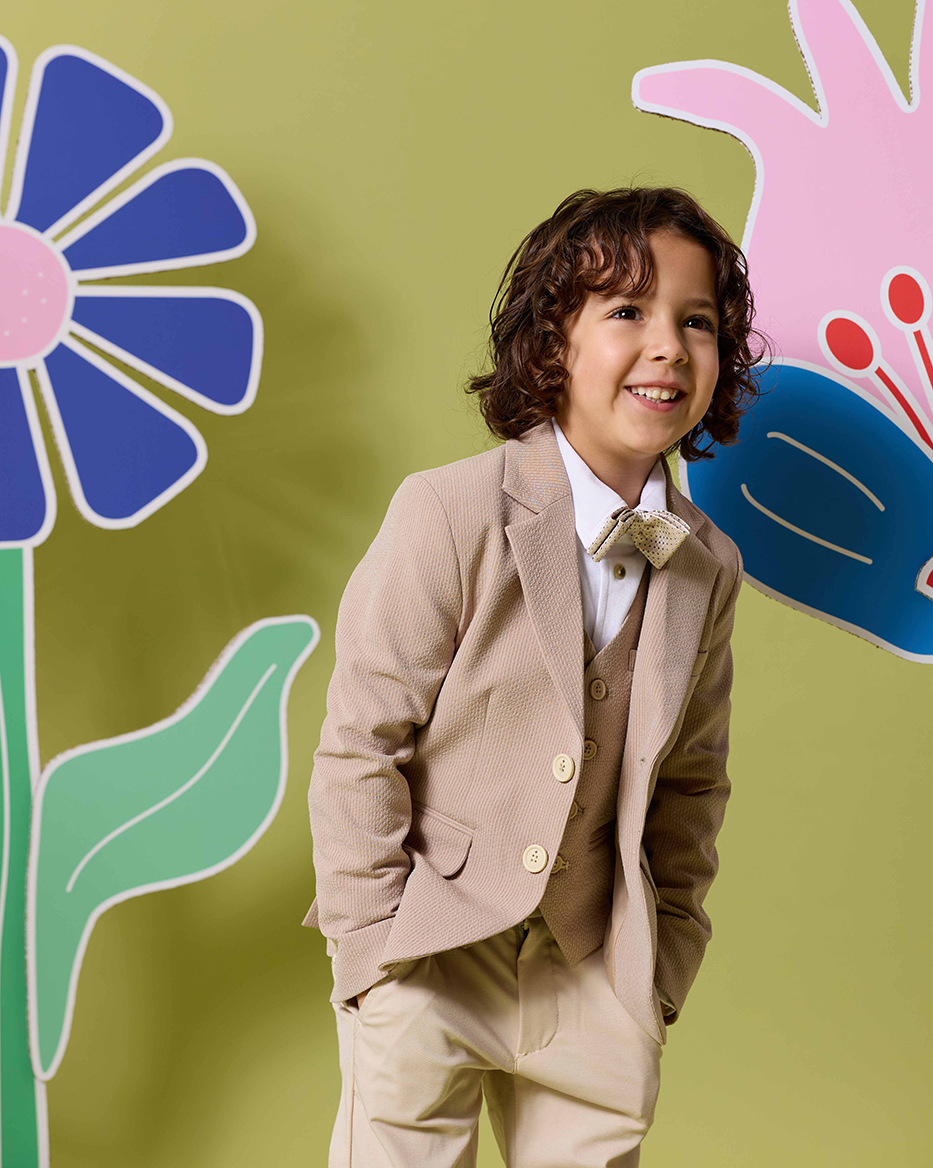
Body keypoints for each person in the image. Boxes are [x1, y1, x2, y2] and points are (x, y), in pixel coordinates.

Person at [303, 185, 768, 1167]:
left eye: (697, 322)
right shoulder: (451, 512)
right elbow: (361, 741)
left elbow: (691, 783)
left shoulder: (706, 564)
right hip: (429, 951)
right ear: (553, 340)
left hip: (592, 972)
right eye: (628, 311)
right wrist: (370, 953)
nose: (668, 347)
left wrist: (660, 969)